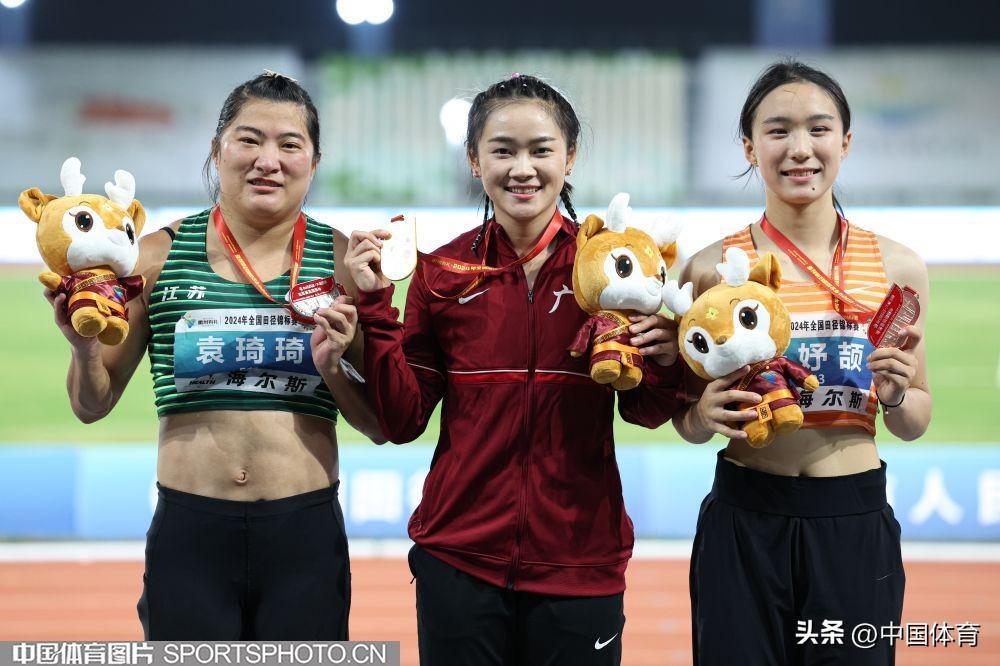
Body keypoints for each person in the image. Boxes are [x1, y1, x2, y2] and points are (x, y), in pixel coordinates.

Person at [345, 74, 685, 665]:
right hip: (458, 559)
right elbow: (402, 419)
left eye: (540, 150)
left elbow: (647, 412)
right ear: (475, 160)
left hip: (580, 559)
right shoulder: (441, 272)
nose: (522, 169)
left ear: (569, 158)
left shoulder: (614, 272)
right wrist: (375, 306)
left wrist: (665, 358)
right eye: (503, 150)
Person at [44, 71, 383, 640]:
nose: (267, 161)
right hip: (190, 533)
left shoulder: (345, 263)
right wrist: (83, 349)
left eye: (289, 144)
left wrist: (334, 369)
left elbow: (378, 425)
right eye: (249, 139)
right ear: (217, 149)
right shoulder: (153, 258)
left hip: (303, 535)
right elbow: (91, 405)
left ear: (314, 161)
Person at [676, 61, 932, 665]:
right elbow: (687, 421)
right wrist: (704, 413)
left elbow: (914, 418)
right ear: (749, 146)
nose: (800, 149)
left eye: (819, 129)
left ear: (846, 141)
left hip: (853, 520)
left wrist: (896, 394)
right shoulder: (711, 270)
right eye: (778, 131)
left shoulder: (897, 267)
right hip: (745, 519)